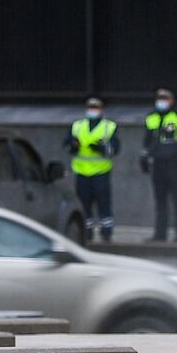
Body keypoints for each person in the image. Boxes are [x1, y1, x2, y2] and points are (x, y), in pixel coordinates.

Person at [141, 87, 177, 242]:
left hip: (174, 163)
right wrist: (144, 158)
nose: (162, 101)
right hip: (157, 163)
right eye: (159, 97)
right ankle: (160, 233)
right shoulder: (151, 117)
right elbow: (147, 140)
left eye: (165, 98)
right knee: (160, 201)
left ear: (172, 100)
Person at [64, 97, 120, 243]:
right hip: (82, 173)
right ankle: (86, 231)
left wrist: (103, 148)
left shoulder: (109, 127)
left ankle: (106, 232)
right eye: (90, 108)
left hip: (101, 173)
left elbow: (115, 148)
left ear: (101, 110)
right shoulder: (77, 126)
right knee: (83, 205)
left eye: (95, 108)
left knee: (104, 204)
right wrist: (73, 146)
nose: (92, 110)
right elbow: (67, 145)